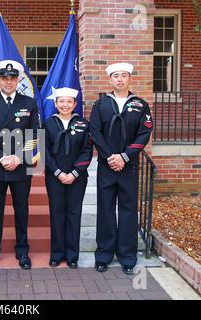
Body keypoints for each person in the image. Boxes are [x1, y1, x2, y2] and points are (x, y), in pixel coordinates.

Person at [90, 63, 153, 275]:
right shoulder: (101, 104)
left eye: (123, 76)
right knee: (105, 209)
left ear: (129, 79)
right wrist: (110, 157)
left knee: (128, 210)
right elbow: (95, 132)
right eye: (115, 76)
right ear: (110, 80)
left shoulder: (140, 105)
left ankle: (127, 256)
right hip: (106, 166)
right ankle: (104, 255)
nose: (119, 79)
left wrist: (124, 156)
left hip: (129, 166)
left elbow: (144, 133)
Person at [0, 60, 40, 270]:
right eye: (4, 78)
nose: (8, 82)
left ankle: (22, 251)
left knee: (21, 210)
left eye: (12, 78)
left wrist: (18, 157)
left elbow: (35, 135)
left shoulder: (29, 104)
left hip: (21, 166)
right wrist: (1, 158)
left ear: (18, 80)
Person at [44, 87, 93, 269]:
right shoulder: (48, 124)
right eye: (61, 101)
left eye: (69, 102)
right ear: (56, 104)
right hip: (54, 176)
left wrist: (73, 173)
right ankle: (57, 254)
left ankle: (72, 255)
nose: (65, 105)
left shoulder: (83, 124)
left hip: (77, 178)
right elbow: (44, 151)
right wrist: (57, 172)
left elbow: (87, 151)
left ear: (74, 104)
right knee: (56, 214)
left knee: (74, 214)